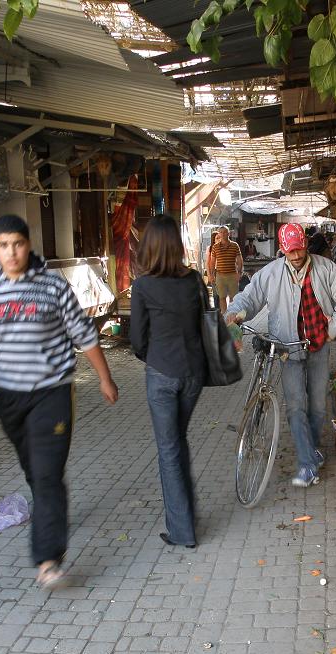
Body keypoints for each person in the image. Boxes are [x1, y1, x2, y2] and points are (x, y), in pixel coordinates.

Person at [0, 215, 119, 589]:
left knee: (46, 475)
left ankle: (48, 559)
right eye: (3, 245)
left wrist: (105, 378)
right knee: (34, 469)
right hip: (8, 397)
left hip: (52, 392)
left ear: (28, 245)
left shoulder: (52, 286)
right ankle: (47, 509)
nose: (12, 252)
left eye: (18, 244)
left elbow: (82, 333)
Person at [225, 223, 336, 488]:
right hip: (288, 348)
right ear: (282, 250)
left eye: (299, 250)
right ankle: (307, 464)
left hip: (319, 346)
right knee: (296, 406)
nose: (296, 256)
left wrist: (332, 331)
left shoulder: (326, 269)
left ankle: (312, 449)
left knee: (318, 407)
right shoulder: (271, 273)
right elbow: (249, 298)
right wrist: (235, 313)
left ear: (306, 246)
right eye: (290, 252)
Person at [130, 215, 206, 550]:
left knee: (169, 449)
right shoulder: (193, 280)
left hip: (161, 373)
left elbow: (136, 340)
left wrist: (155, 357)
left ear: (148, 247)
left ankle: (182, 531)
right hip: (193, 374)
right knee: (178, 442)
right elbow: (204, 324)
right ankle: (187, 515)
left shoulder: (143, 286)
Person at [207, 226, 243, 315]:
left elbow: (239, 259)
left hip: (232, 275)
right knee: (221, 297)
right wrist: (211, 275)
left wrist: (239, 272)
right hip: (220, 275)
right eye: (221, 232)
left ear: (228, 233)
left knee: (233, 298)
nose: (223, 234)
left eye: (225, 232)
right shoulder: (215, 247)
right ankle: (224, 315)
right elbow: (212, 262)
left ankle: (232, 315)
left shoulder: (235, 245)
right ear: (219, 234)